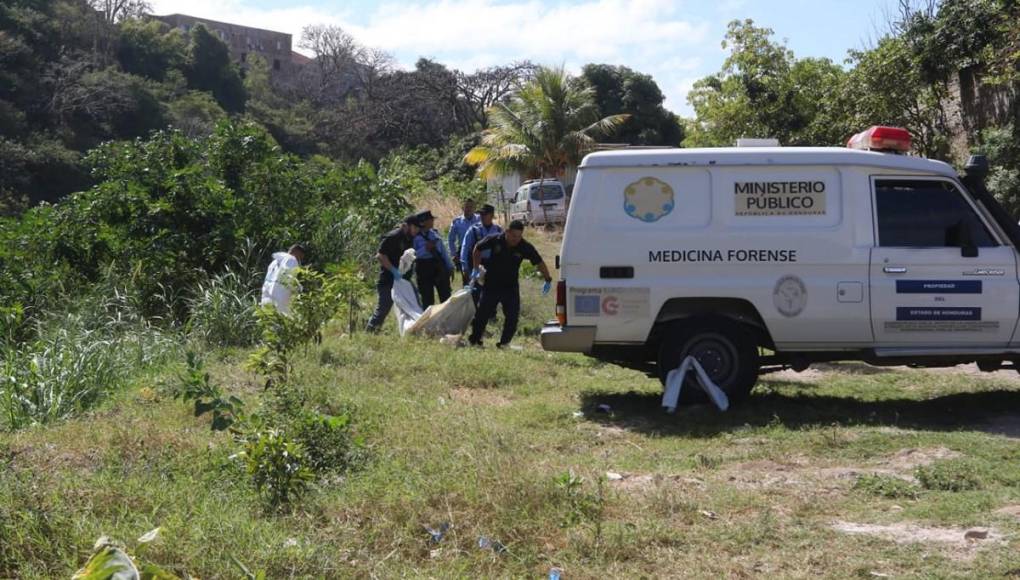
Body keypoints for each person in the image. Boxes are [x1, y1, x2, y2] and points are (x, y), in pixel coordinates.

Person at [467, 220, 553, 348]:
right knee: (482, 314)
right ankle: (474, 341)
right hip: (492, 285)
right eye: (513, 236)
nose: (516, 239)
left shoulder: (524, 246)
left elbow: (539, 261)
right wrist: (475, 268)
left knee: (512, 316)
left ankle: (504, 343)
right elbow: (477, 249)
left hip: (510, 287)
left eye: (519, 236)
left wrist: (548, 279)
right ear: (507, 232)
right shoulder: (495, 239)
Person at [366, 215, 420, 332]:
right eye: (415, 227)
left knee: (414, 304)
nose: (417, 230)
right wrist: (393, 270)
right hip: (388, 280)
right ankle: (369, 333)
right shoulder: (393, 236)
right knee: (383, 310)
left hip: (403, 280)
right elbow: (380, 256)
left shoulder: (409, 238)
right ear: (407, 226)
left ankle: (414, 332)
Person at [413, 210, 454, 308]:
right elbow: (412, 255)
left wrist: (450, 266)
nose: (432, 221)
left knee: (445, 296)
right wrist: (425, 248)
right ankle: (429, 321)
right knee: (427, 299)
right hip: (423, 268)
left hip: (438, 266)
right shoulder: (415, 237)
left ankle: (447, 319)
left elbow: (443, 251)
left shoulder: (435, 233)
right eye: (430, 219)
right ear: (424, 222)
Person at [460, 203, 503, 288]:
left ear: (491, 215)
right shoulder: (473, 230)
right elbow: (464, 249)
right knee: (475, 293)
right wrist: (465, 268)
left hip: (492, 266)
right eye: (481, 214)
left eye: (484, 214)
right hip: (476, 265)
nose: (482, 216)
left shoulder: (498, 230)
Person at [260, 244, 305, 315]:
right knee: (282, 318)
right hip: (279, 294)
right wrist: (298, 288)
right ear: (296, 252)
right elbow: (289, 277)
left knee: (267, 317)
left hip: (267, 293)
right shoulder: (292, 259)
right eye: (300, 257)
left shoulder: (274, 262)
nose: (299, 260)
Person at [448, 199, 480, 285]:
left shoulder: (479, 219)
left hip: (478, 251)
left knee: (480, 277)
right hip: (464, 252)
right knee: (467, 278)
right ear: (463, 208)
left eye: (471, 207)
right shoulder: (457, 222)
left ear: (474, 208)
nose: (468, 209)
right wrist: (454, 254)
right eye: (466, 207)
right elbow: (451, 239)